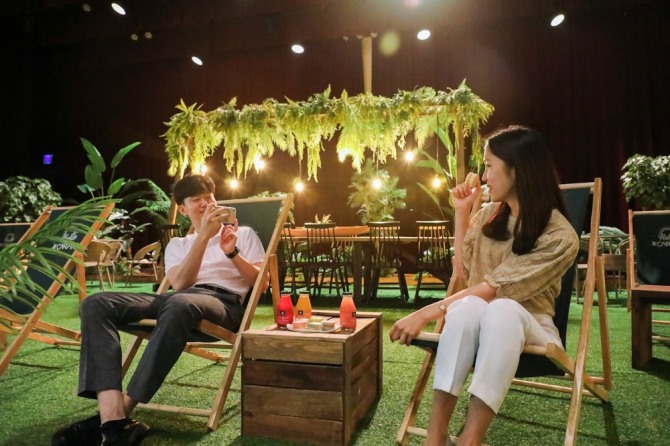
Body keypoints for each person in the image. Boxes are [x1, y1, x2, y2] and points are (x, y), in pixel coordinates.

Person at [389, 125, 579, 446]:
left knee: (501, 308)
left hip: (531, 326)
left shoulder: (559, 235)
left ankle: (470, 440)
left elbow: (494, 288)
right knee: (469, 307)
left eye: (490, 165)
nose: (484, 175)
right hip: (478, 318)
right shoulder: (490, 215)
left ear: (517, 170)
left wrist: (425, 313)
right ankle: (435, 437)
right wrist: (462, 213)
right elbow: (463, 273)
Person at [52, 175, 267, 446]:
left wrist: (232, 252)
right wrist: (203, 237)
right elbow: (181, 284)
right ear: (183, 209)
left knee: (179, 303)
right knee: (96, 303)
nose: (205, 203)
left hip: (223, 303)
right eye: (196, 200)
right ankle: (112, 416)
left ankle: (118, 416)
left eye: (209, 197)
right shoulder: (179, 244)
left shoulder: (243, 234)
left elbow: (261, 283)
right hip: (180, 300)